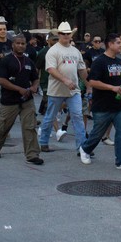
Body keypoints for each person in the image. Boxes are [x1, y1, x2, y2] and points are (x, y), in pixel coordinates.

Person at [79, 33, 121, 169]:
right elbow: (93, 81)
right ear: (110, 44)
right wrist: (112, 88)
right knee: (97, 133)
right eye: (118, 42)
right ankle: (85, 149)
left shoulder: (119, 62)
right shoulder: (100, 62)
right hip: (103, 105)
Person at [0, 34, 43, 165]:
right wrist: (18, 89)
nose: (20, 46)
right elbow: (1, 79)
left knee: (30, 126)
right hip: (10, 100)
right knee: (4, 126)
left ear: (26, 45)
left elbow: (35, 77)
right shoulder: (6, 60)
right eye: (18, 43)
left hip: (27, 100)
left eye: (23, 43)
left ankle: (32, 154)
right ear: (13, 45)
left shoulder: (29, 61)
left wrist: (35, 86)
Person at [39, 21, 90, 154]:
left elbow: (82, 69)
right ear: (59, 35)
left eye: (68, 33)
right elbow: (51, 69)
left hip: (73, 91)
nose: (66, 36)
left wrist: (88, 84)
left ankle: (82, 147)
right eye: (63, 34)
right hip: (56, 90)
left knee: (77, 116)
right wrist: (65, 80)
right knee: (50, 116)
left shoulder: (75, 51)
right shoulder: (53, 51)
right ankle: (43, 142)